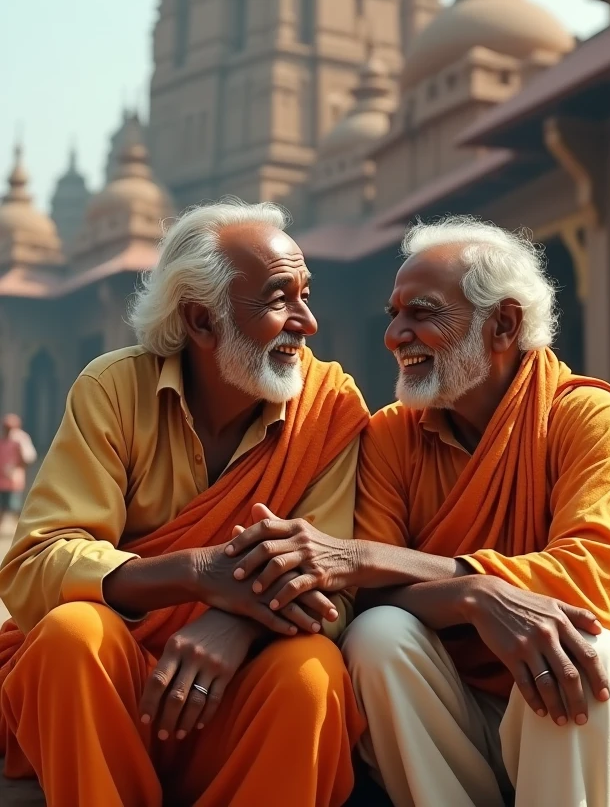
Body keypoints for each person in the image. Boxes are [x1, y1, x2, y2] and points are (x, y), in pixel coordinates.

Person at [226, 216, 610, 807]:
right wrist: (479, 596)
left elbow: (588, 592)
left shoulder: (584, 416)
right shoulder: (394, 434)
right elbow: (370, 597)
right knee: (377, 635)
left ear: (503, 325)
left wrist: (387, 564)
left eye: (422, 312)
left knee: (579, 646)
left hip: (585, 719)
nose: (395, 335)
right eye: (394, 314)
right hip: (455, 711)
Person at [0, 200, 369, 807]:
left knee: (311, 671)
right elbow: (35, 564)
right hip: (113, 697)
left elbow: (329, 588)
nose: (306, 322)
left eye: (306, 294)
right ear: (200, 320)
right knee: (71, 633)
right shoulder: (115, 389)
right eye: (279, 299)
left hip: (236, 703)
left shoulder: (329, 406)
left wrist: (232, 621)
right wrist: (196, 574)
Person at [0, 414, 36, 529]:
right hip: (1, 479)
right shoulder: (3, 439)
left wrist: (15, 467)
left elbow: (28, 457)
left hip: (14, 479)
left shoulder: (20, 439)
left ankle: (21, 529)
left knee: (15, 505)